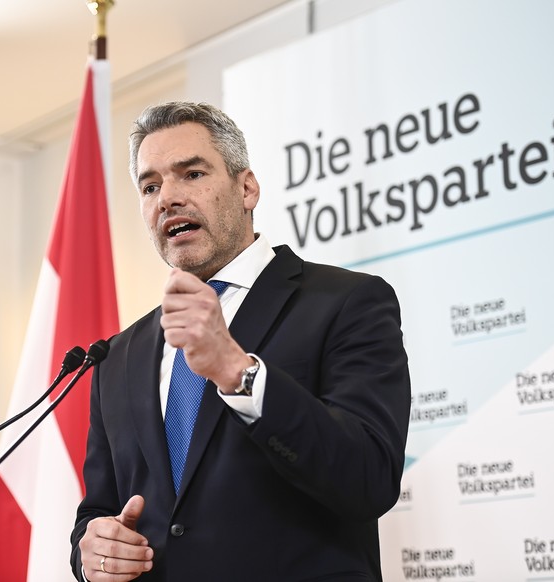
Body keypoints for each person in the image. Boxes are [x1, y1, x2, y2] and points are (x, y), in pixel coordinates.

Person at [70, 102, 410, 581]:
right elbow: (98, 513)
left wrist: (238, 372)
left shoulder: (347, 303)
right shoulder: (117, 356)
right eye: (150, 186)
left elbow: (369, 479)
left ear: (246, 188)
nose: (168, 197)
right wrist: (92, 554)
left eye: (191, 174)